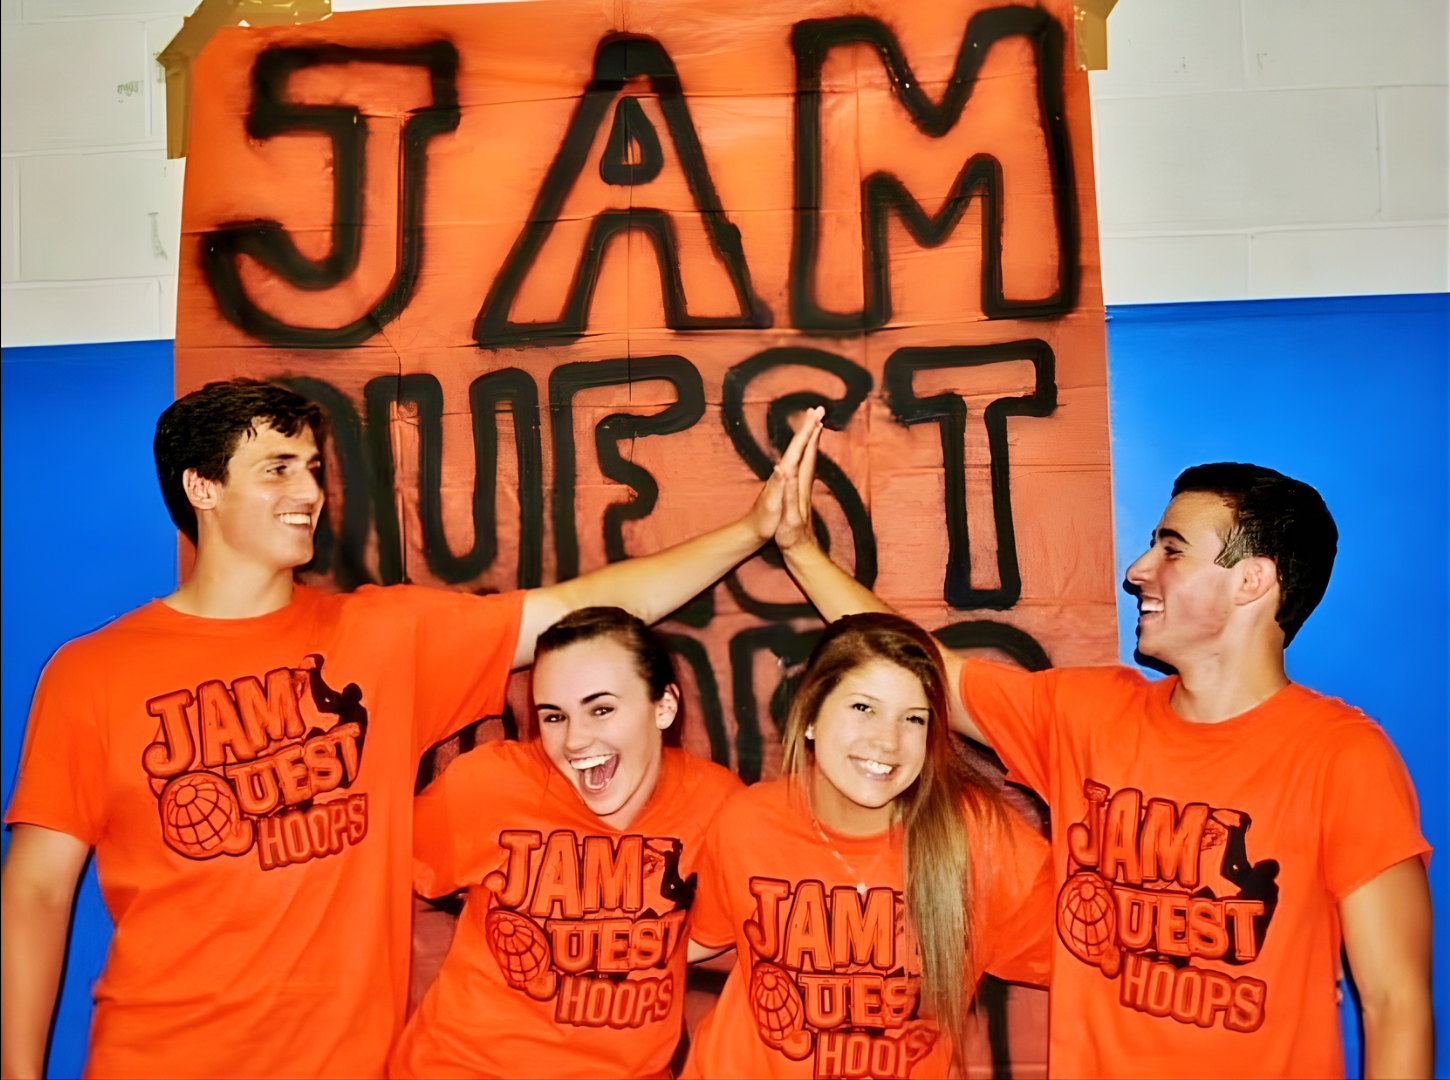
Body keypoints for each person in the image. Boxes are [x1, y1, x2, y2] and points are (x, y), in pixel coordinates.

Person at [0, 379, 823, 1079]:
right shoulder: (93, 672)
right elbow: (36, 891)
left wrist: (751, 531)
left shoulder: (383, 638)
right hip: (159, 1055)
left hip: (350, 1063)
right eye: (277, 468)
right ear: (202, 489)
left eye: (314, 468)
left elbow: (579, 611)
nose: (310, 491)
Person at [775, 431, 1433, 1078]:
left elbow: (1395, 1004)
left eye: (1170, 550)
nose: (1136, 571)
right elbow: (920, 663)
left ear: (1251, 581)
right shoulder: (1088, 715)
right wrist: (800, 550)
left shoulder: (1342, 756)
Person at [681, 613, 1054, 1079]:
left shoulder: (976, 839)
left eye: (913, 718)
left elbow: (1096, 954)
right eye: (863, 708)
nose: (887, 741)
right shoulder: (749, 819)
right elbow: (697, 937)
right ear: (812, 715)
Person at [389, 607, 742, 1078]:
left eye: (602, 709)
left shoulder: (716, 805)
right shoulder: (490, 784)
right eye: (554, 716)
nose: (575, 740)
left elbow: (709, 932)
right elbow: (377, 865)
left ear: (664, 707)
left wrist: (615, 949)